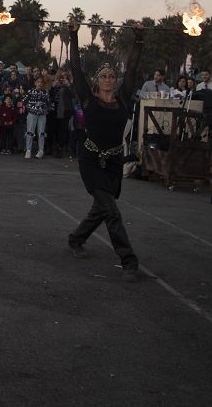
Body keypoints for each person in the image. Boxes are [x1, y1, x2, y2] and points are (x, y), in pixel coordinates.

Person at [67, 19, 145, 283]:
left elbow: (132, 66)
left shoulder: (123, 99)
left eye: (112, 76)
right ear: (96, 81)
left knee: (102, 208)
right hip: (90, 159)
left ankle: (76, 238)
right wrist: (73, 36)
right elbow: (75, 68)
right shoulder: (89, 99)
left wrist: (139, 39)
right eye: (104, 76)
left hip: (113, 160)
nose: (109, 79)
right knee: (110, 211)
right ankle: (129, 261)